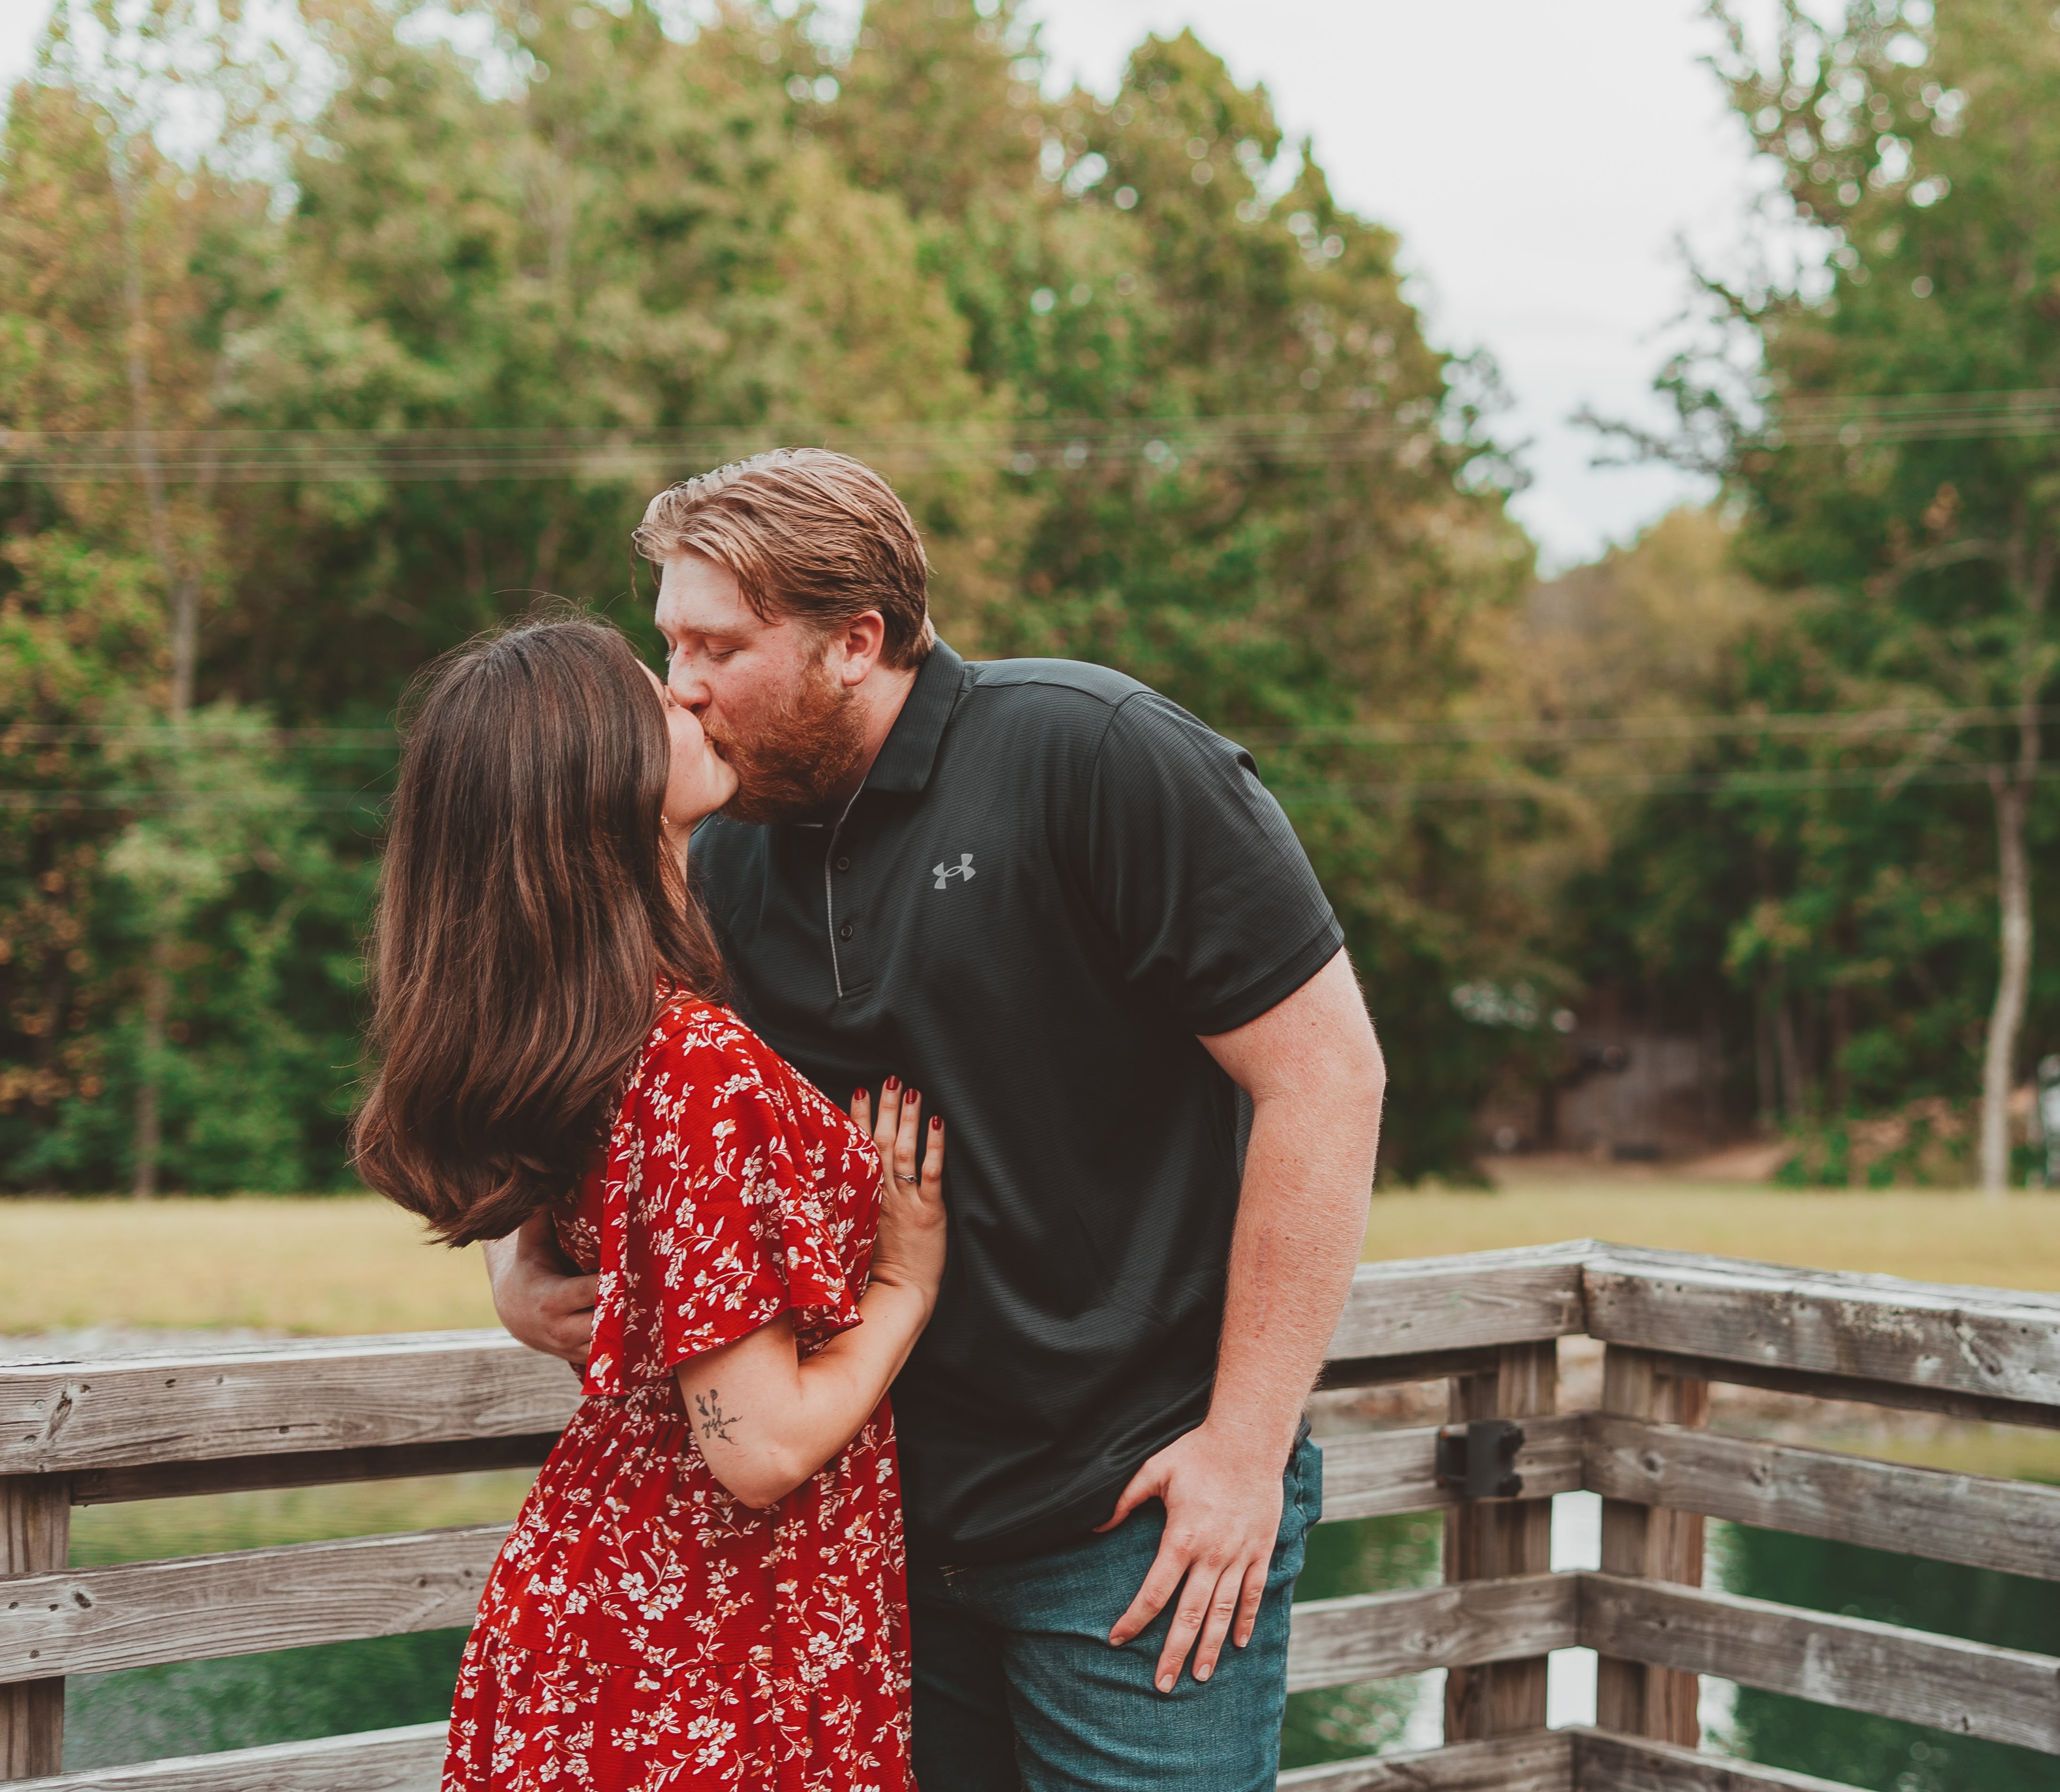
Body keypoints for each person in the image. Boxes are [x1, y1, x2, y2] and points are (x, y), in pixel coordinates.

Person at [488, 448, 1386, 1792]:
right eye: (670, 642)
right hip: (870, 1532)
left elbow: (1328, 1078)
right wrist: (521, 1263)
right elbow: (608, 1091)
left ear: (854, 643)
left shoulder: (1097, 755)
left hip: (1130, 1523)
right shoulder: (721, 850)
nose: (679, 686)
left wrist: (1244, 1454)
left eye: (717, 646)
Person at [352, 616, 949, 1792]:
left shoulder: (578, 1035)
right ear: (601, 786)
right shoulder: (691, 1063)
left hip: (612, 1614)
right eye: (654, 700)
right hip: (706, 1644)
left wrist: (518, 1277)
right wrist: (903, 1283)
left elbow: (567, 1219)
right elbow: (762, 1446)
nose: (689, 697)